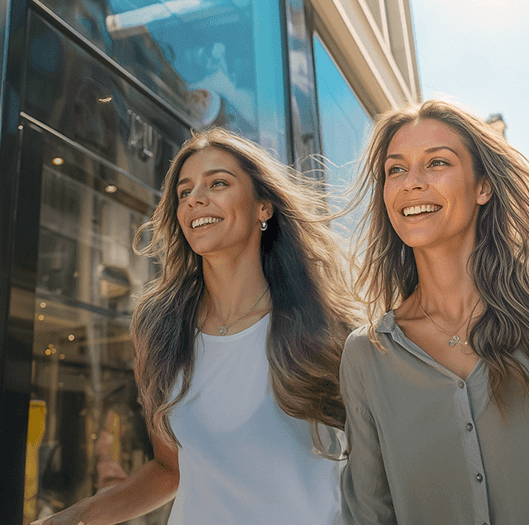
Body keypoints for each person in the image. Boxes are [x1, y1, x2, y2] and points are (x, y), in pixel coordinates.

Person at [338, 99, 529, 525]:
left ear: (483, 187)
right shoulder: (367, 357)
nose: (412, 182)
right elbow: (369, 512)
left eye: (437, 163)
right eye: (396, 169)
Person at [32, 128, 356, 525]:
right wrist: (80, 514)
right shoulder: (161, 329)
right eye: (184, 192)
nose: (196, 199)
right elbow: (171, 468)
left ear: (264, 207)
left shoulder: (328, 329)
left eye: (218, 183)